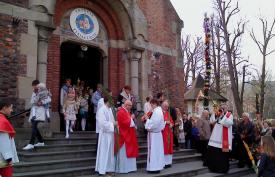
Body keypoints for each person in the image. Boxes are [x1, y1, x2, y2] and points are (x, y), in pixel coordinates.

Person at [23, 81, 51, 150]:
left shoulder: (44, 90)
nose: (33, 87)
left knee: (34, 125)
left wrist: (42, 102)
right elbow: (32, 101)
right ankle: (41, 141)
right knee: (34, 126)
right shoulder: (34, 92)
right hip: (34, 111)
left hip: (40, 111)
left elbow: (49, 99)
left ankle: (31, 143)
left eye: (34, 86)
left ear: (37, 85)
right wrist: (35, 98)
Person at [207, 105, 233, 173]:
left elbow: (229, 124)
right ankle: (214, 168)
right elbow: (214, 123)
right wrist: (219, 116)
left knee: (222, 156)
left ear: (227, 108)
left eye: (224, 108)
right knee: (215, 154)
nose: (223, 109)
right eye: (222, 108)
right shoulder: (219, 114)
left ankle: (222, 169)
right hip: (216, 138)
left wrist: (223, 116)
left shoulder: (229, 115)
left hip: (224, 140)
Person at [115, 100, 139, 173]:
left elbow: (129, 122)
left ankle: (130, 168)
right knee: (124, 153)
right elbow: (124, 123)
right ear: (126, 105)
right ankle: (123, 169)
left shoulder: (126, 112)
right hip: (124, 135)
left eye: (131, 106)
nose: (130, 107)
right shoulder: (121, 112)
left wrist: (134, 124)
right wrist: (131, 118)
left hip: (129, 134)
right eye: (130, 105)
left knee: (130, 151)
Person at [95, 97, 116, 176]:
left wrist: (115, 123)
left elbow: (112, 120)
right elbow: (102, 123)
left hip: (110, 134)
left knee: (109, 153)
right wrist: (112, 124)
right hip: (104, 135)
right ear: (108, 101)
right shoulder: (101, 110)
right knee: (104, 153)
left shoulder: (109, 109)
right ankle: (102, 171)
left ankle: (108, 169)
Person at [144, 99, 165, 173]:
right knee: (155, 151)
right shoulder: (156, 111)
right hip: (155, 135)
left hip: (155, 135)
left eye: (151, 104)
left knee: (155, 152)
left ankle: (155, 168)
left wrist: (147, 120)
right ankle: (153, 167)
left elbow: (155, 124)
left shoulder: (157, 111)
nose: (151, 106)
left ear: (154, 104)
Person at [0, 99, 19, 177]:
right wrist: (8, 158)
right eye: (10, 108)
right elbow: (3, 141)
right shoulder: (2, 121)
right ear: (4, 108)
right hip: (3, 160)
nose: (12, 110)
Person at [161, 100, 174, 167]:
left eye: (167, 107)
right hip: (163, 133)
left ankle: (168, 162)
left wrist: (171, 124)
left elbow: (171, 121)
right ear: (162, 106)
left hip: (169, 133)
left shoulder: (168, 114)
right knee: (164, 147)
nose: (167, 108)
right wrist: (166, 122)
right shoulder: (160, 113)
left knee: (169, 148)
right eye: (166, 106)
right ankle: (164, 163)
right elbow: (159, 122)